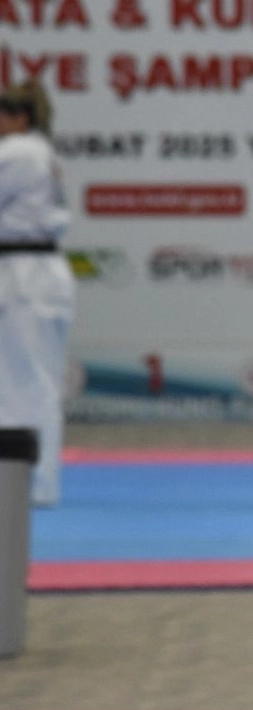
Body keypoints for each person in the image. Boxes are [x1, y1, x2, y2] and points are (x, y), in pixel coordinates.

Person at [0, 80, 74, 507]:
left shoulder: (20, 151)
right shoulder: (40, 152)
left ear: (19, 117)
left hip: (26, 274)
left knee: (26, 381)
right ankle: (33, 479)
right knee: (27, 379)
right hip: (33, 270)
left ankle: (34, 482)